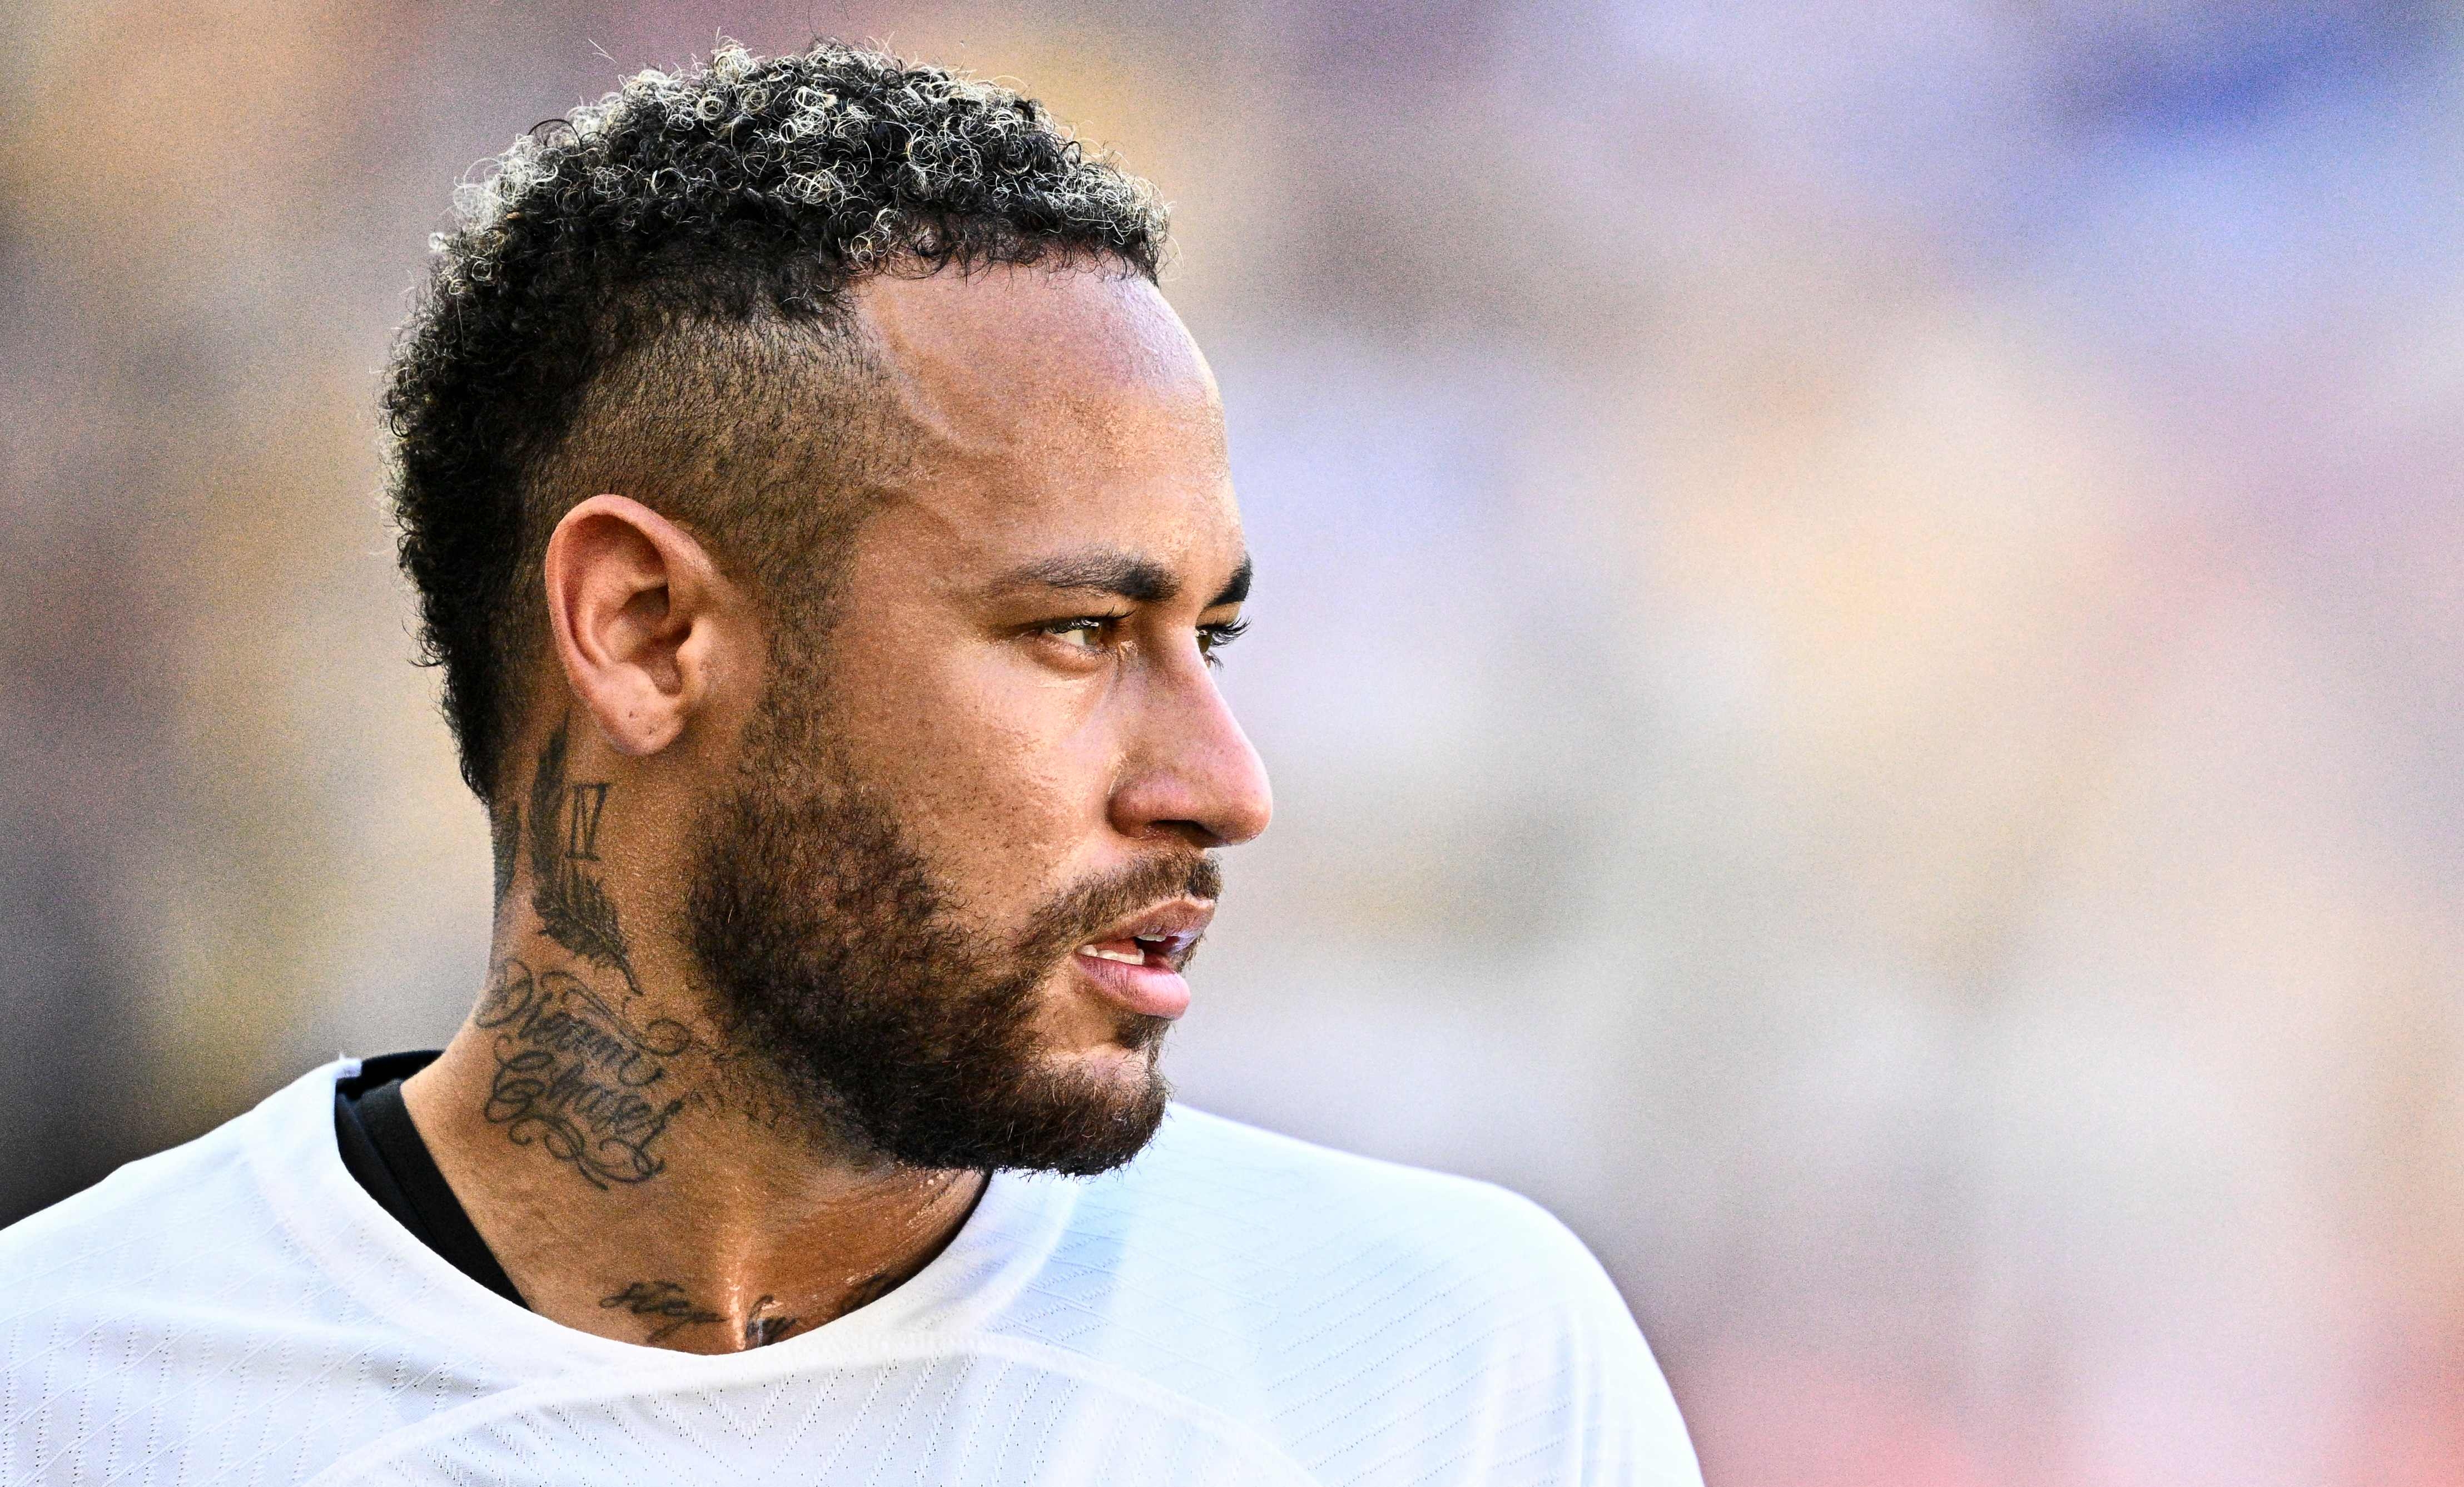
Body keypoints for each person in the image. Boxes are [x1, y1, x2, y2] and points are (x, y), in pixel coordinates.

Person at [0, 41, 1700, 1486]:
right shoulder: (68, 1391)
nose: (1225, 782)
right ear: (650, 630)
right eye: (1077, 632)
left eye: (1214, 638)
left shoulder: (1440, 1378)